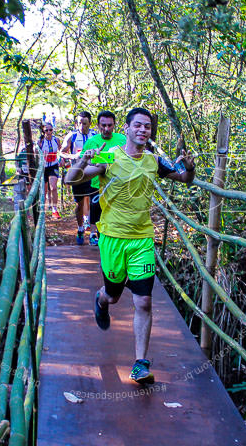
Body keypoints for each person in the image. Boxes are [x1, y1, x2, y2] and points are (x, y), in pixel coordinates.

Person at [64, 107, 195, 385]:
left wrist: (190, 168)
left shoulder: (154, 161)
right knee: (113, 296)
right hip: (112, 240)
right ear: (127, 128)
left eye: (147, 127)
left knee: (143, 300)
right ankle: (101, 299)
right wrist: (82, 160)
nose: (143, 130)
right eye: (138, 125)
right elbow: (70, 179)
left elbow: (184, 179)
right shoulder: (109, 157)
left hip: (142, 241)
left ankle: (140, 364)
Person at [74, 110, 126, 246]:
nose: (106, 129)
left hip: (117, 183)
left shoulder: (122, 139)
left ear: (114, 125)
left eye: (110, 125)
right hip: (97, 183)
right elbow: (82, 162)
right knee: (95, 208)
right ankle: (93, 234)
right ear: (98, 125)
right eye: (103, 125)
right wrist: (90, 161)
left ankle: (113, 237)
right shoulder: (92, 141)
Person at [61, 111, 97, 244]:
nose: (82, 126)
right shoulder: (72, 136)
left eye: (84, 123)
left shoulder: (95, 136)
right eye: (79, 123)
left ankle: (93, 233)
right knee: (80, 204)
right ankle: (81, 228)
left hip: (92, 173)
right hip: (77, 174)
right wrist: (73, 157)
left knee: (94, 203)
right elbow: (62, 152)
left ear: (90, 123)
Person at [37, 123, 62, 219]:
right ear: (43, 131)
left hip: (53, 166)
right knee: (44, 189)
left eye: (50, 130)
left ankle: (54, 209)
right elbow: (35, 154)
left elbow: (61, 151)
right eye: (46, 130)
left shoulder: (56, 140)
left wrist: (62, 159)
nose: (49, 132)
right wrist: (41, 156)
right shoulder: (40, 141)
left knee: (54, 187)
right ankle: (43, 208)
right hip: (43, 167)